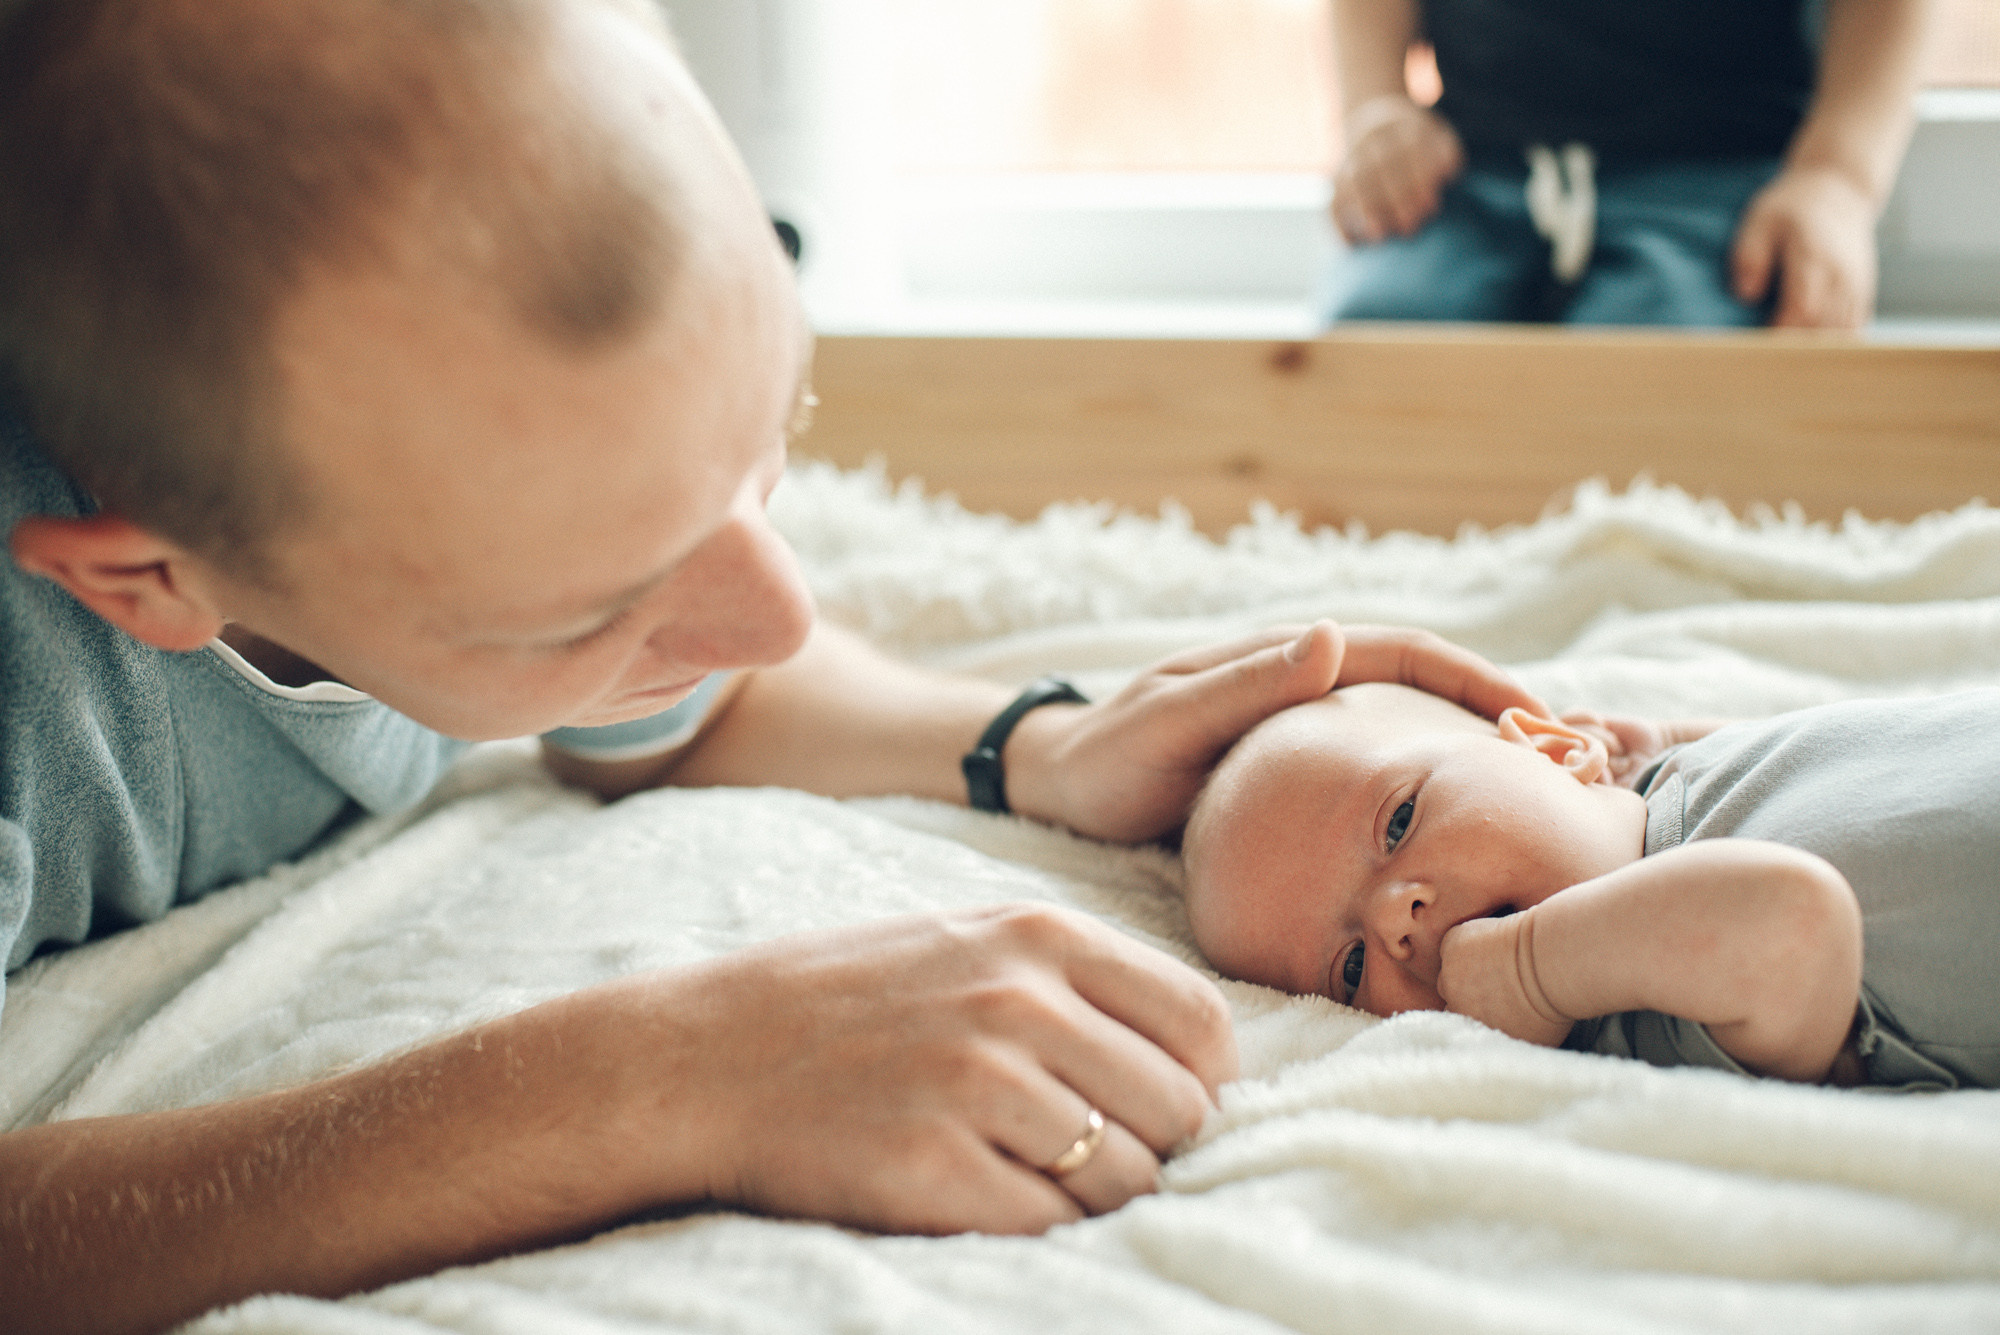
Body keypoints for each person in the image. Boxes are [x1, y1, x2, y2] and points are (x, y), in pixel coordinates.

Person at [0, 2, 1549, 1330]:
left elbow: (704, 697)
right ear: (149, 582)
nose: (780, 615)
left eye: (770, 441)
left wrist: (1041, 740)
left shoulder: (487, 468)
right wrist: (661, 1077)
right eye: (596, 605)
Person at [1182, 681, 2000, 1092]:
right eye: (1352, 968)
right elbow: (1793, 920)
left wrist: (1659, 739)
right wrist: (1533, 971)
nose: (1395, 917)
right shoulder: (1646, 1015)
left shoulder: (1673, 777)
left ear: (1556, 746)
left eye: (1398, 822)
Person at [1327, 0, 1934, 328]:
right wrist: (1378, 104)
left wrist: (1836, 179)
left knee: (1665, 367)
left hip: (1718, 173)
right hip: (1476, 164)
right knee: (1376, 342)